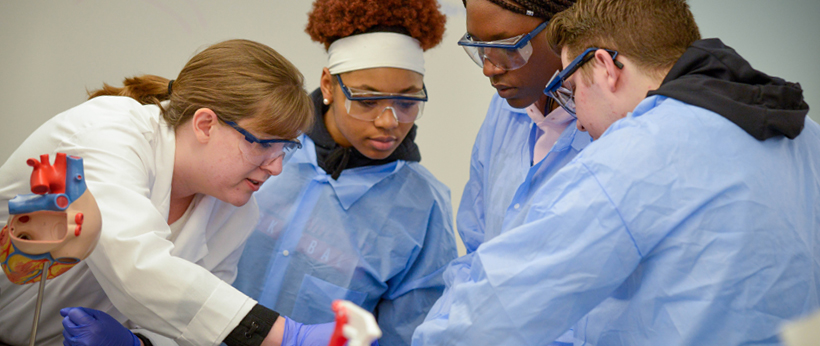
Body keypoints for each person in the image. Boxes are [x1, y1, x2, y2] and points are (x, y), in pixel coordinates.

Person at [414, 0, 820, 344]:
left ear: (606, 67)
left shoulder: (637, 150)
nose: (580, 120)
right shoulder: (803, 134)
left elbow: (504, 304)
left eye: (571, 92)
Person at [0, 39, 323, 346]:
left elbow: (195, 328)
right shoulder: (111, 131)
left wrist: (141, 342)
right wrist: (283, 335)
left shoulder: (235, 211)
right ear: (206, 124)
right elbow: (135, 264)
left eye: (286, 148)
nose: (276, 167)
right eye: (265, 144)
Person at [231, 1, 457, 345]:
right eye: (366, 101)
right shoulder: (258, 147)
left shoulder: (423, 207)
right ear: (327, 85)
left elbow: (409, 335)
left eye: (407, 103)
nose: (388, 122)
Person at [413, 0, 585, 344]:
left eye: (507, 48)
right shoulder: (506, 111)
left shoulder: (611, 129)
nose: (489, 69)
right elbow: (479, 254)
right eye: (479, 49)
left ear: (564, 31)